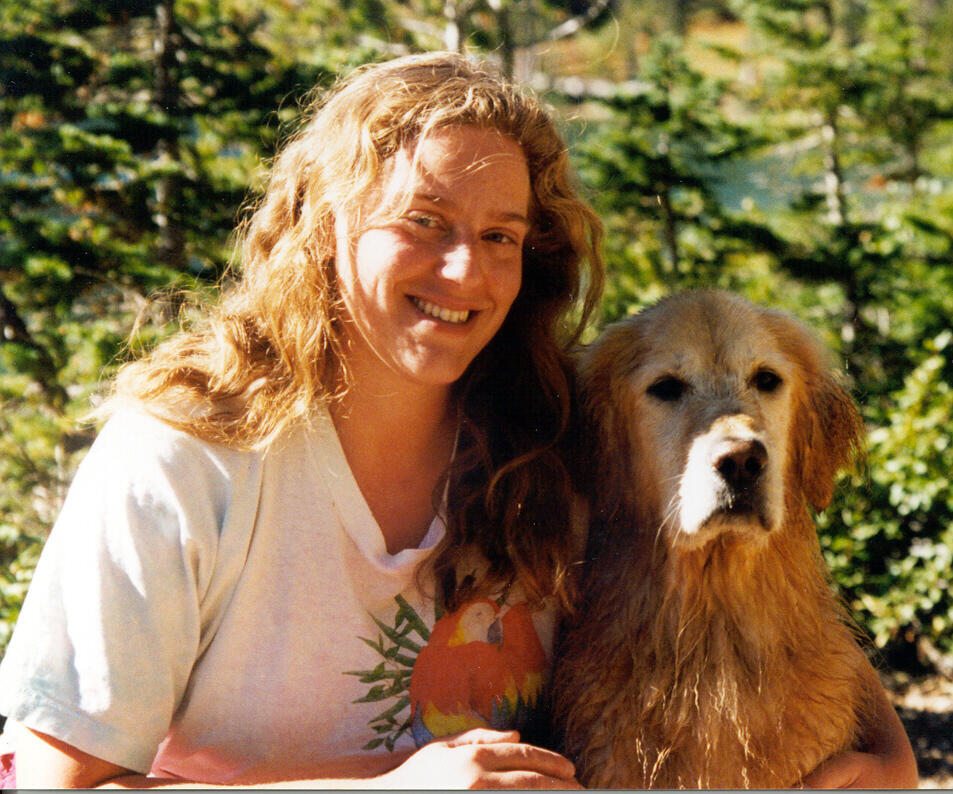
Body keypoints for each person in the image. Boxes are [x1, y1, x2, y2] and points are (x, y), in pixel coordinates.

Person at [0, 52, 916, 789]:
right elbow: (55, 786)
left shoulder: (551, 442)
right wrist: (387, 788)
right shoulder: (185, 458)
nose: (464, 272)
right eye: (423, 220)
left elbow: (773, 599)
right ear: (327, 225)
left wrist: (887, 754)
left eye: (499, 236)